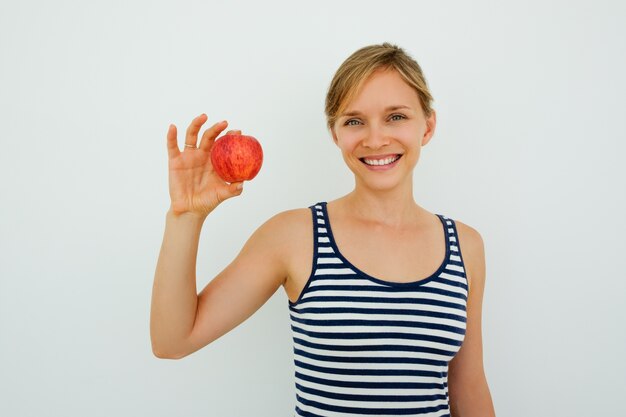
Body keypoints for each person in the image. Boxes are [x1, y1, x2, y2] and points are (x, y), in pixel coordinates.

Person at [151, 42, 496, 416]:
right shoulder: (294, 237)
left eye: (396, 116)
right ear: (335, 133)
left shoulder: (465, 246)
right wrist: (185, 217)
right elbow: (173, 341)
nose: (375, 138)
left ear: (427, 126)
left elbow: (468, 386)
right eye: (354, 120)